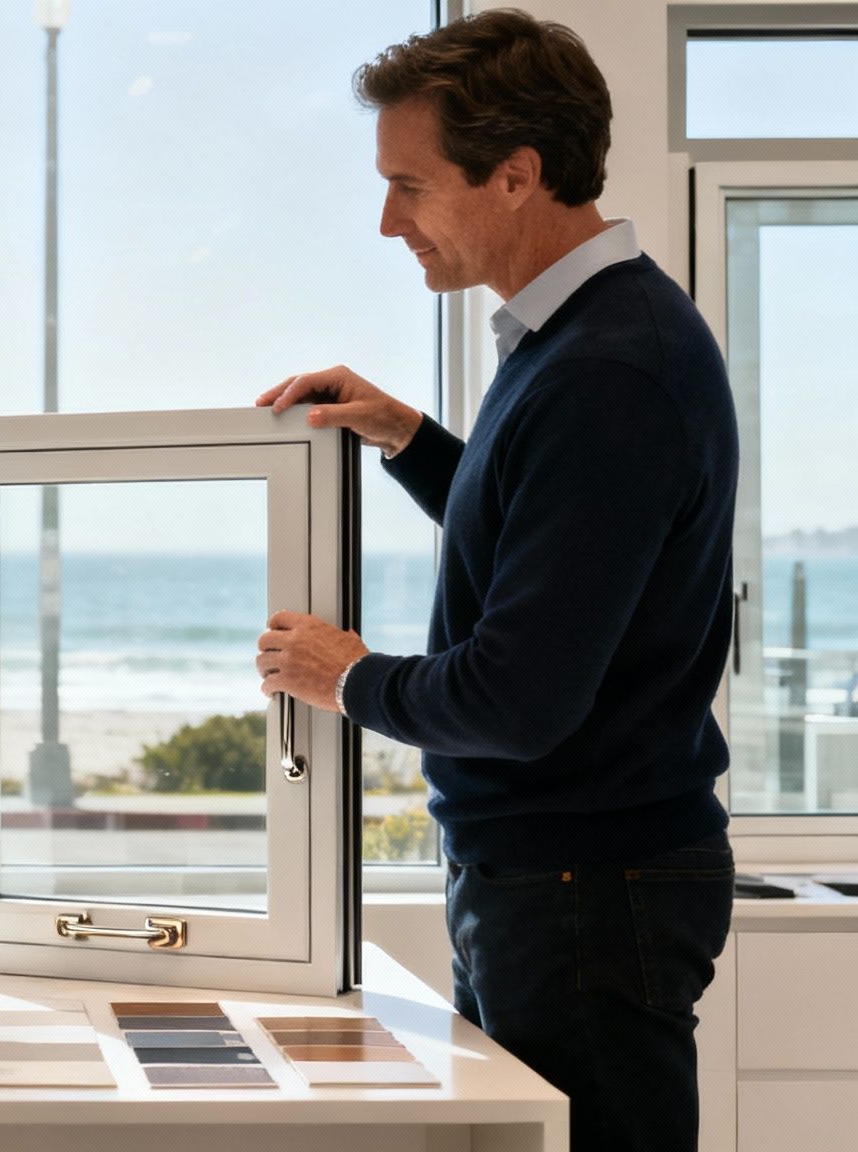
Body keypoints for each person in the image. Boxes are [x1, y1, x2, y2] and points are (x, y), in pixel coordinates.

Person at [251, 11, 737, 1151]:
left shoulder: (606, 369)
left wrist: (348, 677)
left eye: (409, 187)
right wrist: (410, 438)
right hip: (566, 878)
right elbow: (557, 546)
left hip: (580, 887)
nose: (386, 222)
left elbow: (518, 697)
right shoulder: (583, 342)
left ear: (515, 175)